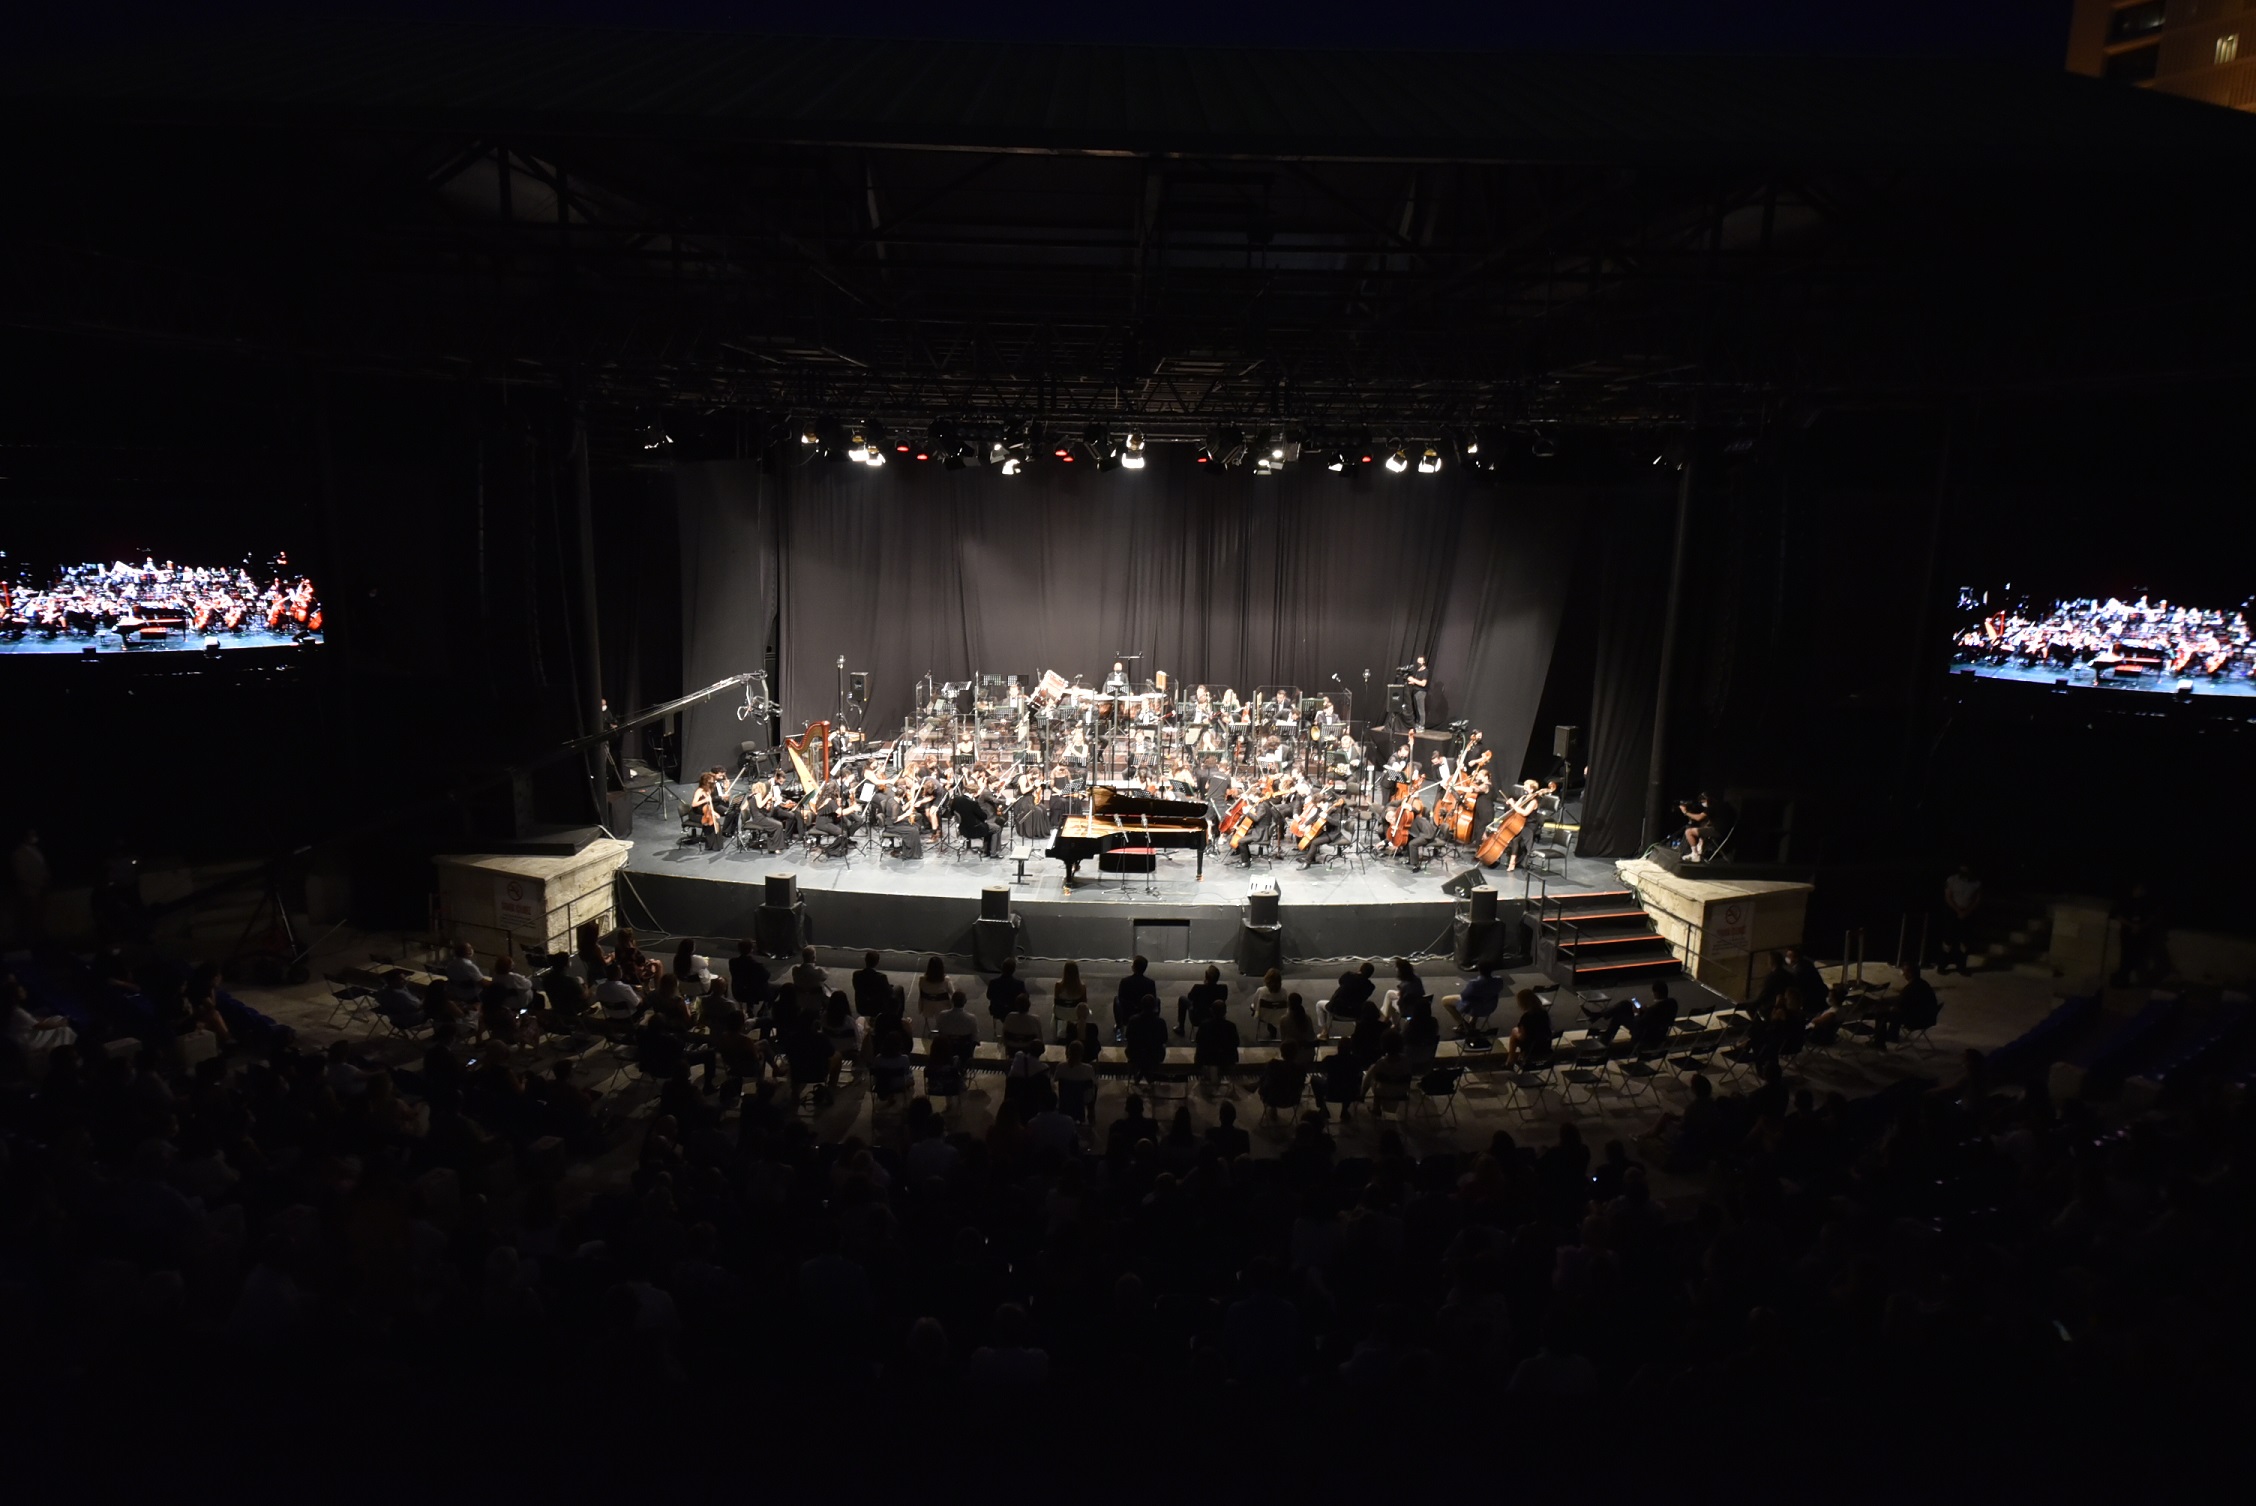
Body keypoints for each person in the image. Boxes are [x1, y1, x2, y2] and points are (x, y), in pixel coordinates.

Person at [1871, 964, 1940, 1047]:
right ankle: (1892, 1035)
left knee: (1881, 1014)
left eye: (1905, 972)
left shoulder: (1910, 988)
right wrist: (1888, 1000)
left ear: (1910, 973)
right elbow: (1904, 999)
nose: (1903, 974)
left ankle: (1879, 1043)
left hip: (1917, 1020)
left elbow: (1900, 1006)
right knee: (1895, 1013)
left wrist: (1886, 1007)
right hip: (1928, 1017)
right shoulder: (1923, 984)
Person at [1442, 962, 1503, 1038]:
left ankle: (1463, 1025)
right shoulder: (1499, 981)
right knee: (1479, 998)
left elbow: (1464, 996)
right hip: (1490, 1007)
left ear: (1479, 970)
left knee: (1445, 1000)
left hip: (1474, 1007)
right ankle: (1472, 1023)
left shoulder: (1474, 983)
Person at [1114, 955, 1158, 1041]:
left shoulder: (1125, 982)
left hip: (1127, 1013)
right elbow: (1153, 999)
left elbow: (1121, 998)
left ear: (1133, 967)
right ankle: (1153, 1023)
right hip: (1145, 1012)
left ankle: (1119, 1026)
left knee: (1116, 1000)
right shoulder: (1150, 983)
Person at [1176, 964, 1228, 1038]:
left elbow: (1190, 997)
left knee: (1182, 999)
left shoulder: (1197, 988)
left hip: (1198, 1018)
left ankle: (1181, 1028)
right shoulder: (1223, 989)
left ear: (1206, 976)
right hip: (1216, 1016)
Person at [1505, 988, 1552, 1067]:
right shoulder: (1544, 1013)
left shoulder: (1526, 1017)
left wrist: (1515, 1034)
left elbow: (1522, 1037)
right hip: (1545, 1046)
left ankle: (1510, 1061)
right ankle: (1515, 1059)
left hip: (1531, 1047)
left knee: (1514, 1033)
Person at [985, 957, 1030, 1033]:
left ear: (1002, 968)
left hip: (997, 1010)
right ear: (1014, 970)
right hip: (1014, 1010)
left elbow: (989, 996)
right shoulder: (1019, 984)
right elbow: (1025, 997)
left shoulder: (993, 983)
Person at [1050, 960, 1089, 1041]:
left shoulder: (1058, 986)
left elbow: (1056, 1001)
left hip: (1061, 1014)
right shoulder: (1082, 987)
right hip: (1076, 1014)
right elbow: (1084, 1003)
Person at [915, 955, 953, 1038]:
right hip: (944, 1009)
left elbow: (921, 993)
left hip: (927, 1007)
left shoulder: (922, 979)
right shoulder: (946, 980)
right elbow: (953, 993)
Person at [729, 940, 770, 1011]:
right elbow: (767, 975)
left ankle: (750, 1007)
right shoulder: (756, 965)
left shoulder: (732, 962)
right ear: (751, 950)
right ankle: (763, 1010)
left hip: (737, 991)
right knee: (772, 988)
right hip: (753, 993)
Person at [1251, 968, 1289, 1042]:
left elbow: (1255, 1005)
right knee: (1274, 1011)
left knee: (1252, 1007)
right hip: (1280, 1016)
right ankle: (1272, 1025)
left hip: (1264, 1015)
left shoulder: (1260, 990)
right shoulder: (1284, 992)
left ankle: (1270, 1025)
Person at [1406, 655, 1430, 729]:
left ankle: (1422, 725)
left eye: (1420, 661)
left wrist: (1413, 679)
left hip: (1421, 692)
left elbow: (1423, 683)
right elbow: (1417, 682)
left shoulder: (1425, 671)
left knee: (1421, 709)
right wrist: (1410, 681)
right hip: (1415, 692)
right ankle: (1418, 723)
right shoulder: (1418, 671)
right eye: (1418, 661)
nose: (1419, 663)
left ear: (1424, 662)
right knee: (1416, 709)